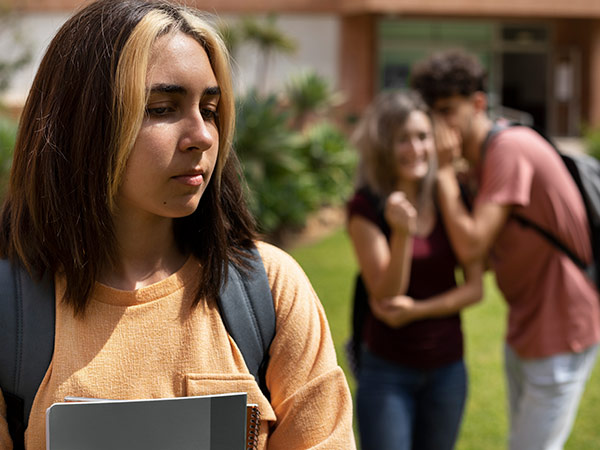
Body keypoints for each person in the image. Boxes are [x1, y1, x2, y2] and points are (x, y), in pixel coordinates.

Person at [0, 1, 356, 449]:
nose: (203, 135)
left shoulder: (270, 289)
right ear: (84, 122)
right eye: (163, 108)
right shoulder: (10, 311)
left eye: (209, 109)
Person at [411, 49, 600, 450]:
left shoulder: (509, 150)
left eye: (448, 110)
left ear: (477, 103)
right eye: (433, 114)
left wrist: (443, 171)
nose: (440, 126)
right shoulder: (480, 161)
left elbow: (472, 246)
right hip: (527, 325)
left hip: (563, 326)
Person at [346, 90, 483, 450]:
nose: (415, 148)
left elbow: (475, 288)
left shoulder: (449, 197)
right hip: (388, 372)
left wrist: (418, 310)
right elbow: (388, 295)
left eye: (422, 137)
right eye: (402, 139)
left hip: (448, 369)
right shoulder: (366, 206)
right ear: (383, 146)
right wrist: (402, 233)